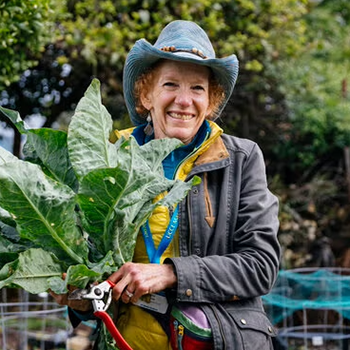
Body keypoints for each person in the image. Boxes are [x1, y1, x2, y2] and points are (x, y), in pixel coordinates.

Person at [52, 20, 281, 350]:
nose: (184, 100)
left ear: (211, 100)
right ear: (146, 94)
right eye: (171, 84)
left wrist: (171, 274)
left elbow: (261, 266)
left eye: (198, 88)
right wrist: (80, 296)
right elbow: (94, 269)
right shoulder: (111, 159)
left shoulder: (241, 159)